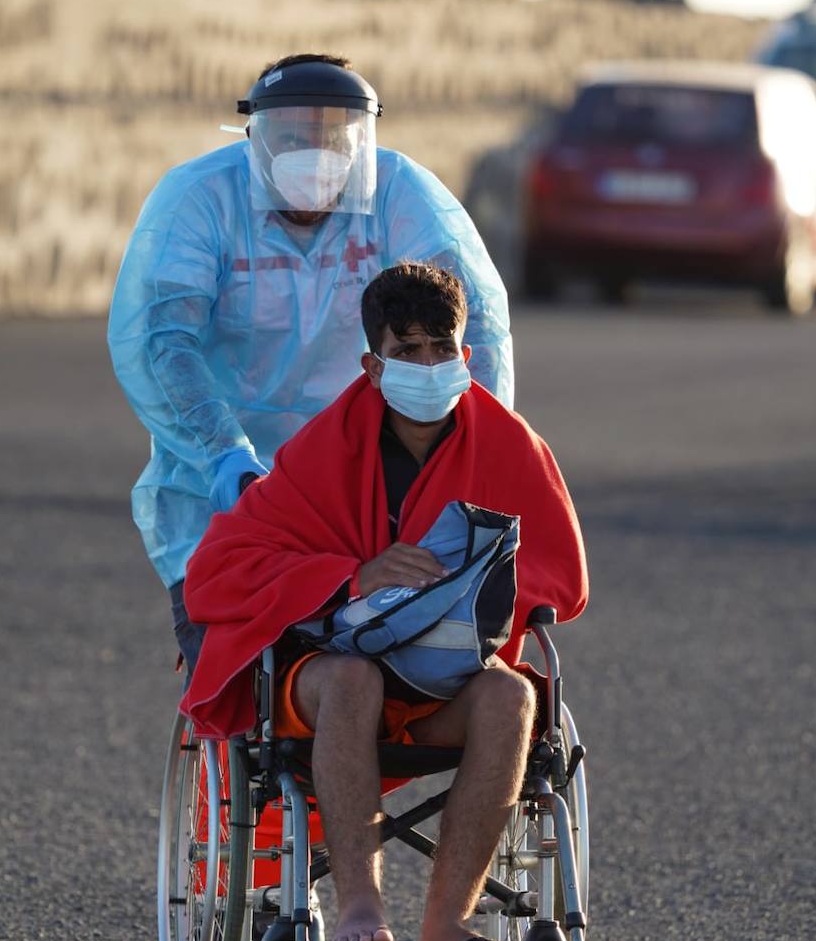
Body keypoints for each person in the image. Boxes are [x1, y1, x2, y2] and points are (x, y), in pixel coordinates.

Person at [181, 263, 588, 941]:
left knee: (510, 699)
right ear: (374, 364)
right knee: (353, 678)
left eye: (443, 347)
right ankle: (362, 912)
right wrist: (352, 575)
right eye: (409, 351)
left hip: (445, 680)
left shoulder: (508, 444)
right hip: (331, 677)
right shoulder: (322, 448)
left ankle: (446, 935)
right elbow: (221, 568)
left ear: (466, 353)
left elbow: (561, 579)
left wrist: (470, 587)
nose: (430, 365)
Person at [107, 54, 513, 685]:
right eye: (294, 137)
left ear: (360, 139)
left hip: (367, 489)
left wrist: (476, 445)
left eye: (332, 137)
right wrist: (222, 454)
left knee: (400, 676)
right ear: (255, 137)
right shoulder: (199, 200)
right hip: (226, 491)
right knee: (241, 677)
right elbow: (163, 337)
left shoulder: (399, 193)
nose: (315, 152)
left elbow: (474, 323)